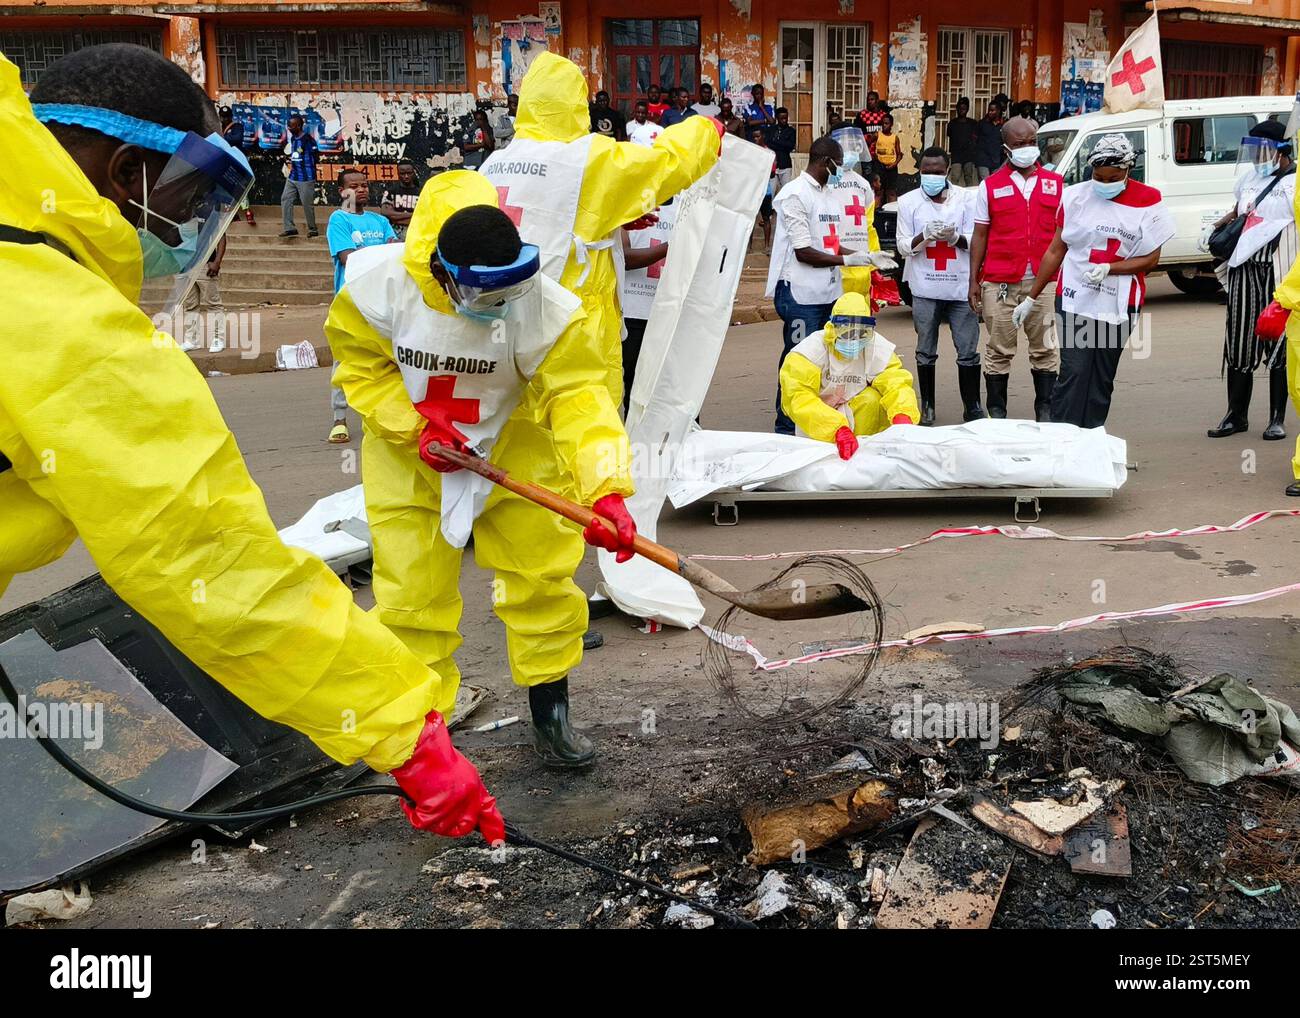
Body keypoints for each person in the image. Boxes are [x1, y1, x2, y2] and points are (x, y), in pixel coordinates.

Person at [4, 44, 501, 842]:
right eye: (192, 196)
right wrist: (404, 731)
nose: (194, 227)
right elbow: (209, 561)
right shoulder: (56, 315)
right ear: (128, 170)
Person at [325, 172, 638, 767]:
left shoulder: (547, 309)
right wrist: (413, 426)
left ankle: (552, 716)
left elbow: (580, 399)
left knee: (542, 579)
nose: (495, 309)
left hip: (516, 449)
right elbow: (360, 367)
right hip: (408, 463)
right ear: (439, 270)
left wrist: (607, 489)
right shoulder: (376, 288)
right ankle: (424, 741)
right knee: (411, 599)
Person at [480, 51, 721, 411]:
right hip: (573, 333)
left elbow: (553, 215)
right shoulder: (585, 159)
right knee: (586, 436)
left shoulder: (495, 163)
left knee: (521, 433)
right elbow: (662, 166)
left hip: (509, 326)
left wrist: (611, 218)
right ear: (577, 104)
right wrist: (704, 131)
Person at [1019, 134, 1173, 428]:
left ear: (1129, 170)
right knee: (1074, 371)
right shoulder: (1074, 197)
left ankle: (1091, 437)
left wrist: (1110, 269)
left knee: (1101, 376)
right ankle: (1063, 437)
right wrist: (1031, 297)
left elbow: (1152, 259)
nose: (1104, 183)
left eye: (1113, 177)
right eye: (1098, 177)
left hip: (1120, 302)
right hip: (1076, 297)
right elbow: (1056, 249)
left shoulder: (1148, 200)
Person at [766, 134, 896, 434]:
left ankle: (819, 421)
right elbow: (804, 252)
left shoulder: (829, 195)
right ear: (826, 162)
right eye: (837, 165)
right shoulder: (794, 195)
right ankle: (787, 426)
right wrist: (847, 262)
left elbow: (833, 245)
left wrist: (865, 257)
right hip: (800, 293)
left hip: (829, 292)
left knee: (828, 362)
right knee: (799, 360)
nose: (841, 171)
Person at [968, 115, 1063, 421]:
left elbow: (1066, 238)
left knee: (1046, 349)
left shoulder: (1056, 184)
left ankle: (1045, 411)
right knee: (998, 350)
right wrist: (973, 282)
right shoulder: (990, 186)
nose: (1028, 149)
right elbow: (980, 235)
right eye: (1020, 144)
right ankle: (997, 412)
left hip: (1044, 282)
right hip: (1001, 282)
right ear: (1006, 147)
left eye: (1032, 142)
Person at [1204, 120, 1295, 441]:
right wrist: (1217, 226)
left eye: (1263, 151)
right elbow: (1239, 211)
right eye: (1253, 151)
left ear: (1281, 151)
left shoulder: (1295, 182)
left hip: (1280, 270)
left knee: (1279, 341)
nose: (1257, 157)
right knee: (1239, 340)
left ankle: (1276, 419)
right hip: (1244, 267)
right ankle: (1235, 415)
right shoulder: (1248, 179)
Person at [898, 146, 984, 424]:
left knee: (968, 350)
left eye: (937, 172)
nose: (931, 176)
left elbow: (978, 241)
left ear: (947, 171)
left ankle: (972, 407)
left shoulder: (967, 199)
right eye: (926, 171)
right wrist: (923, 236)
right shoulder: (908, 202)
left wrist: (954, 237)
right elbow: (903, 246)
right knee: (925, 349)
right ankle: (928, 408)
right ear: (919, 171)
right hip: (925, 288)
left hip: (960, 288)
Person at [779, 291, 918, 453]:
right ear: (832, 328)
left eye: (860, 333)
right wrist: (836, 429)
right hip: (819, 417)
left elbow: (895, 381)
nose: (853, 339)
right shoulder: (809, 352)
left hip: (855, 408)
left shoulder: (875, 346)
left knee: (872, 399)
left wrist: (902, 414)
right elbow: (798, 398)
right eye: (847, 332)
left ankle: (870, 452)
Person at [326, 169, 398, 444]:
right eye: (354, 186)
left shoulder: (379, 220)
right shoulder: (339, 220)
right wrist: (381, 253)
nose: (361, 190)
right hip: (351, 302)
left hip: (381, 300)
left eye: (364, 185)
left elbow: (395, 250)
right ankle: (339, 418)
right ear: (342, 192)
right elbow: (348, 259)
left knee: (387, 360)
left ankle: (382, 417)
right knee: (344, 361)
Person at [619, 210, 674, 411]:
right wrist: (672, 245)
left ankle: (679, 440)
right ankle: (636, 439)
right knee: (634, 388)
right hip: (633, 313)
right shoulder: (630, 206)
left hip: (669, 313)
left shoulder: (683, 205)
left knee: (672, 386)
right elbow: (624, 257)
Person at [181, 232, 227, 353]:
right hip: (185, 265)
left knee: (213, 304)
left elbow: (221, 237)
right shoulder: (182, 214)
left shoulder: (209, 213)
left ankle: (218, 339)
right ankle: (191, 340)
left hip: (206, 264)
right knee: (190, 305)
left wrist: (217, 262)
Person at [280, 114, 319, 237]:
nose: (289, 128)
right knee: (285, 199)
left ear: (299, 126)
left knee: (307, 204)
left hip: (306, 178)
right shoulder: (293, 139)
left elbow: (315, 155)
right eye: (288, 126)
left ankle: (312, 229)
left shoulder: (308, 140)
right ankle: (289, 228)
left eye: (291, 126)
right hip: (293, 176)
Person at [219, 104, 255, 225]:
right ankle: (234, 214)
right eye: (222, 117)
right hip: (225, 160)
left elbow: (237, 139)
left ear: (231, 117)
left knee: (240, 186)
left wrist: (223, 137)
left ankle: (247, 211)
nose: (224, 119)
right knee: (226, 187)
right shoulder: (218, 127)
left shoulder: (237, 126)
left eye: (226, 117)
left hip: (237, 160)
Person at [379, 158, 422, 240]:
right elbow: (386, 213)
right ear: (398, 174)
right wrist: (413, 215)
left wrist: (396, 218)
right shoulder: (391, 191)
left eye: (409, 173)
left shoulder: (422, 192)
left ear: (414, 173)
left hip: (416, 235)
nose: (406, 176)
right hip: (395, 235)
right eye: (402, 173)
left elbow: (424, 217)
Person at [751, 126, 776, 254]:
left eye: (758, 136)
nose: (756, 139)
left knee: (766, 218)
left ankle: (767, 246)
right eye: (754, 137)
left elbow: (772, 174)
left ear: (763, 137)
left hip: (765, 191)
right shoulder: (749, 152)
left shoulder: (769, 153)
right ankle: (748, 247)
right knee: (749, 219)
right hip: (751, 191)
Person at [946, 97, 978, 187]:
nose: (962, 111)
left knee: (968, 178)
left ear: (967, 109)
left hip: (969, 155)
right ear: (957, 109)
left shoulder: (973, 123)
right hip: (956, 155)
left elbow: (975, 138)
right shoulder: (952, 123)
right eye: (960, 108)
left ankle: (969, 199)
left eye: (964, 109)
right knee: (955, 177)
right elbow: (949, 135)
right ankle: (954, 197)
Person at [973, 102, 1004, 182]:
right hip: (982, 159)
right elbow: (974, 139)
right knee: (985, 183)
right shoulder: (982, 124)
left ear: (998, 111)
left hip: (996, 160)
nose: (990, 112)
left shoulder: (1003, 125)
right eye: (989, 110)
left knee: (995, 183)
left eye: (992, 110)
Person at [853, 91, 888, 159]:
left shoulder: (884, 116)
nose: (869, 102)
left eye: (872, 99)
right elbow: (857, 134)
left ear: (877, 100)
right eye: (868, 100)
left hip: (881, 153)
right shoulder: (862, 115)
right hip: (866, 152)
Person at [768, 107, 797, 190]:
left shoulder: (791, 131)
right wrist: (782, 143)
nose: (784, 120)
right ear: (777, 118)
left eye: (786, 118)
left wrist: (776, 141)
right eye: (782, 118)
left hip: (785, 165)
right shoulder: (771, 130)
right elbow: (768, 143)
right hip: (772, 166)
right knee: (771, 192)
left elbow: (790, 146)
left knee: (785, 192)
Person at [874, 113, 900, 201]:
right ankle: (876, 213)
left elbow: (899, 154)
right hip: (879, 167)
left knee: (891, 192)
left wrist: (894, 164)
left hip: (891, 168)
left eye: (886, 123)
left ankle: (892, 212)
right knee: (879, 191)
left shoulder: (895, 138)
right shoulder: (877, 135)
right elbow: (869, 146)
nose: (884, 125)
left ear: (891, 125)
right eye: (883, 123)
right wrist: (875, 157)